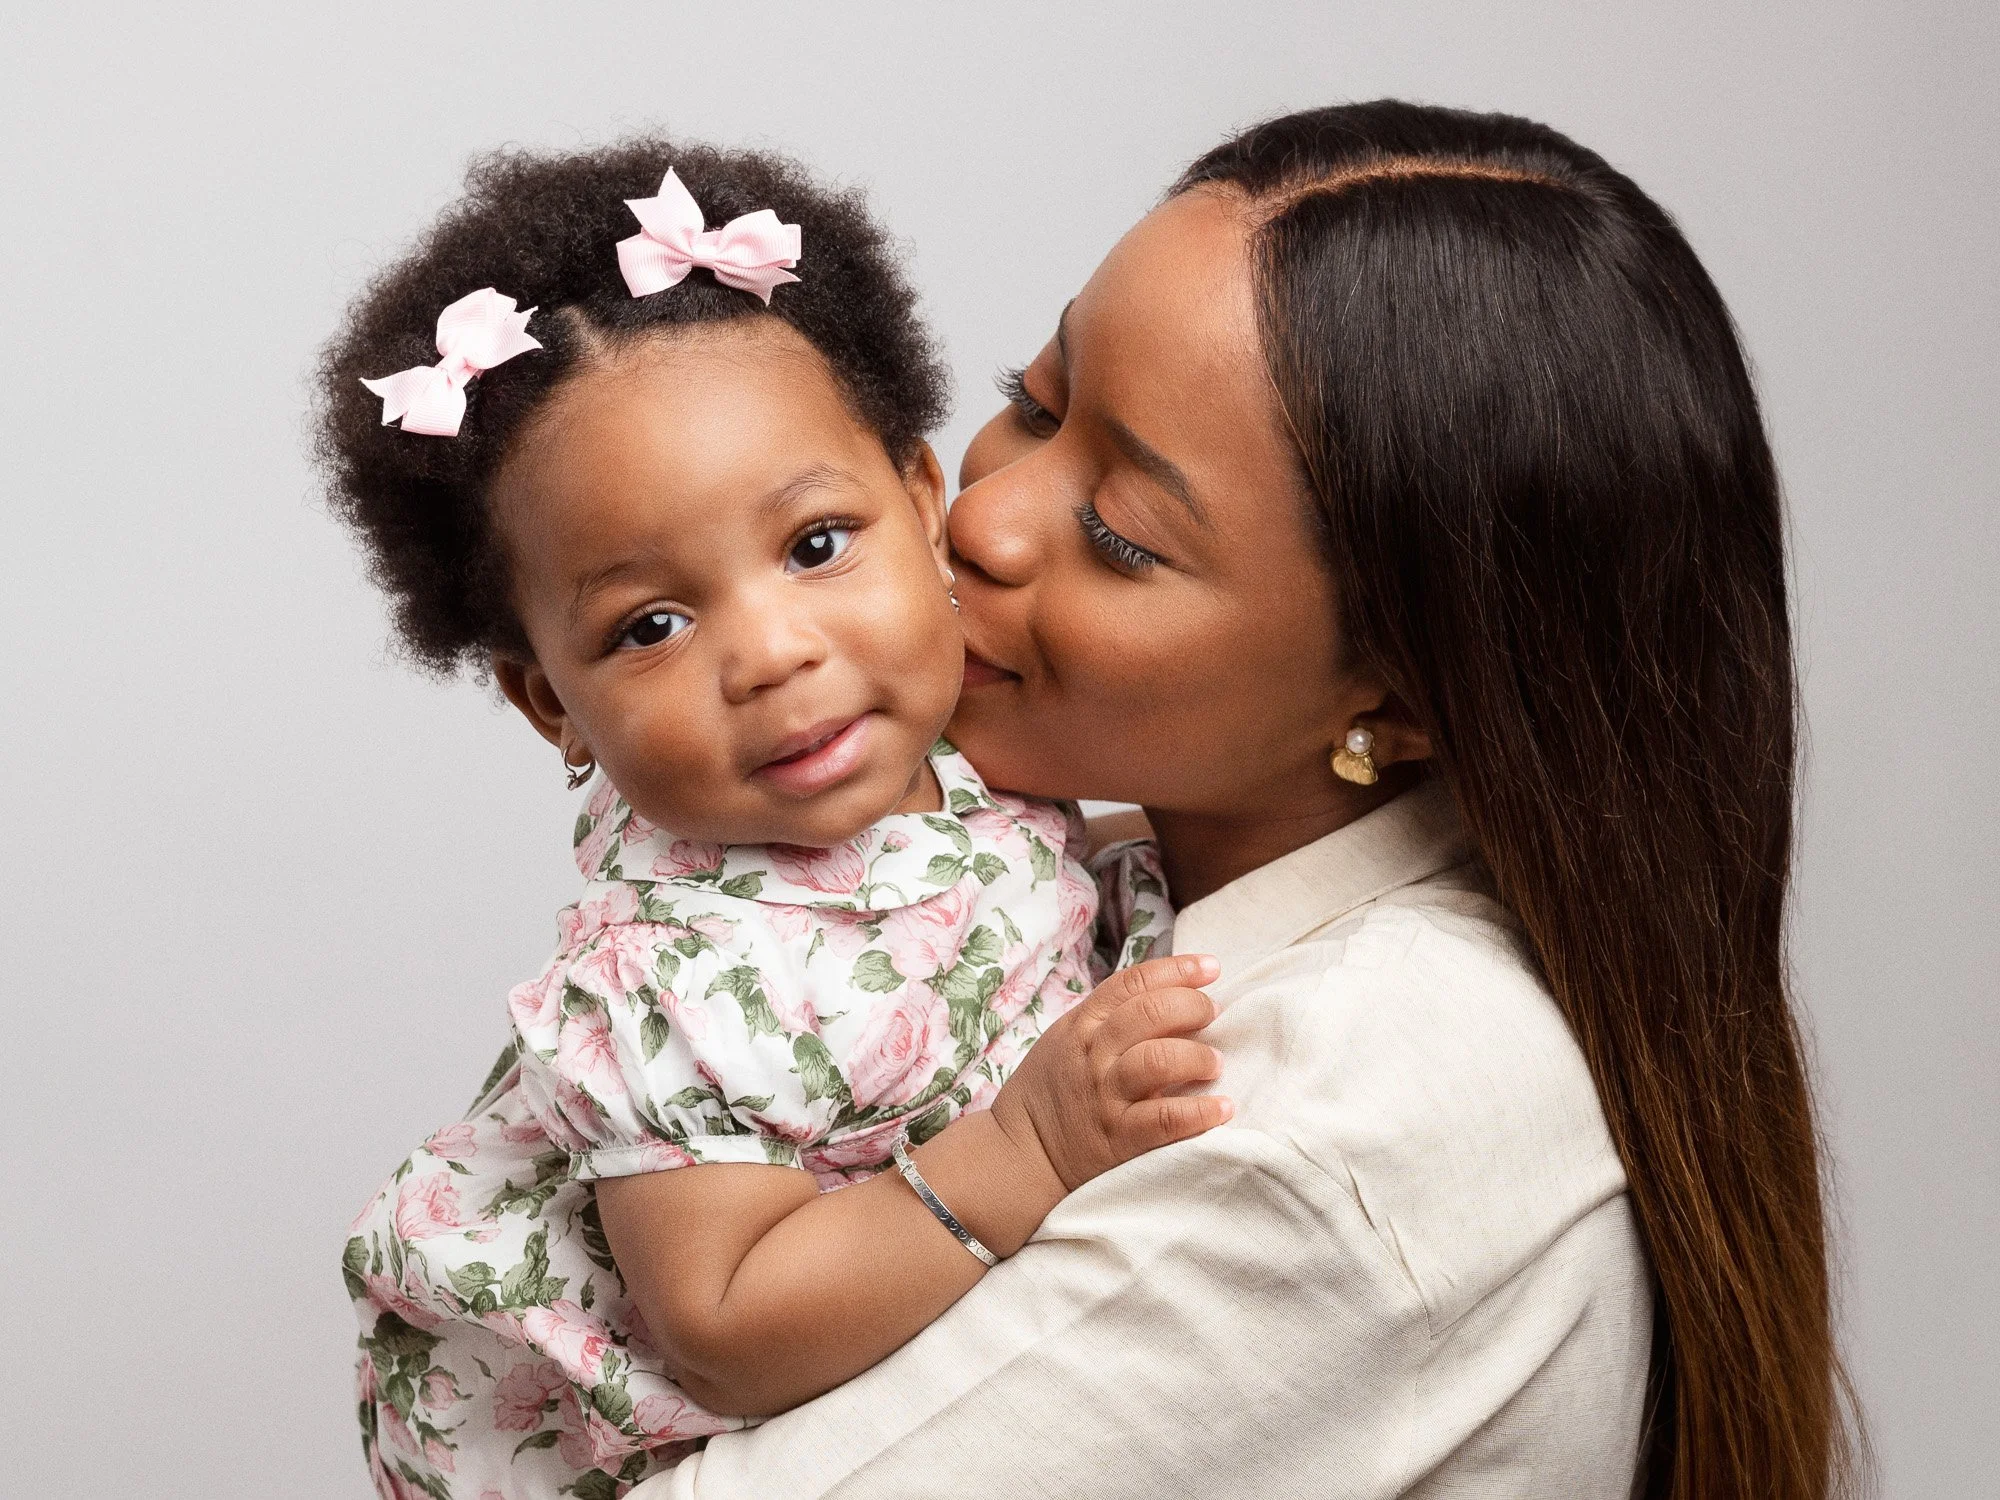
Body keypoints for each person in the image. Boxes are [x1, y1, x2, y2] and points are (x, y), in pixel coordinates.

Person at [637, 101, 1859, 1500]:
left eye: (1121, 536)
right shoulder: (1030, 891)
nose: (983, 519)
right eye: (1033, 399)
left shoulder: (1340, 1119)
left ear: (1396, 705)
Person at [316, 140, 1221, 1500]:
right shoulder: (675, 984)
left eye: (814, 546)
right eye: (651, 626)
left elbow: (986, 900)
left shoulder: (969, 736)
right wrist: (1025, 1149)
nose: (773, 653)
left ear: (922, 505)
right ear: (548, 703)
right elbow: (726, 1330)